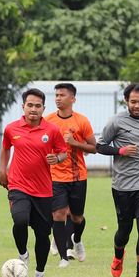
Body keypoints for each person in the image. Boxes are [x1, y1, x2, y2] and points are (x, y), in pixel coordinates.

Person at [96, 83, 139, 277]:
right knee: (124, 230)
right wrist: (120, 151)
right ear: (126, 101)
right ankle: (118, 255)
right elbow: (100, 146)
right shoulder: (116, 121)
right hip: (122, 185)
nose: (136, 106)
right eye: (133, 102)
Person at [0, 88, 67, 277]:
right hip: (18, 185)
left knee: (42, 233)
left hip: (44, 189)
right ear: (23, 107)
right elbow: (5, 149)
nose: (34, 109)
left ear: (44, 108)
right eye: (30, 105)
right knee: (19, 220)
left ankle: (40, 272)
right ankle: (23, 253)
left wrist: (57, 158)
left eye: (38, 106)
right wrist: (3, 170)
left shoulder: (52, 130)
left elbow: (62, 152)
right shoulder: (12, 129)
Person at [44, 83, 96, 267]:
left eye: (62, 95)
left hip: (78, 177)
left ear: (72, 99)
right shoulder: (48, 120)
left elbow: (94, 148)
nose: (58, 98)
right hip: (55, 176)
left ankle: (77, 239)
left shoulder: (82, 121)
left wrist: (75, 143)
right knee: (58, 214)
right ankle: (64, 256)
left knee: (76, 217)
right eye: (56, 95)